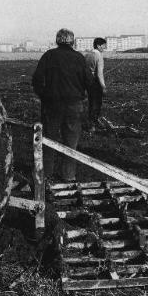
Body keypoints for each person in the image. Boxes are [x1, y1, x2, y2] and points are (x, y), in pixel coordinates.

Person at [32, 28, 92, 181]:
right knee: (71, 142)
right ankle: (69, 175)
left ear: (57, 41)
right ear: (73, 42)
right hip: (74, 105)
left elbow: (37, 80)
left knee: (48, 140)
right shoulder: (79, 58)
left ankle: (45, 175)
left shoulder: (48, 56)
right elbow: (89, 83)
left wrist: (44, 96)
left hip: (52, 105)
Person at [85, 37, 107, 130]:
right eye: (103, 46)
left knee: (91, 102)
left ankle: (91, 121)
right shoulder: (99, 56)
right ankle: (93, 124)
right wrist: (103, 86)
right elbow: (99, 73)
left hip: (87, 81)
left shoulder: (88, 54)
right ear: (98, 46)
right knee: (97, 103)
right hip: (95, 82)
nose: (104, 48)